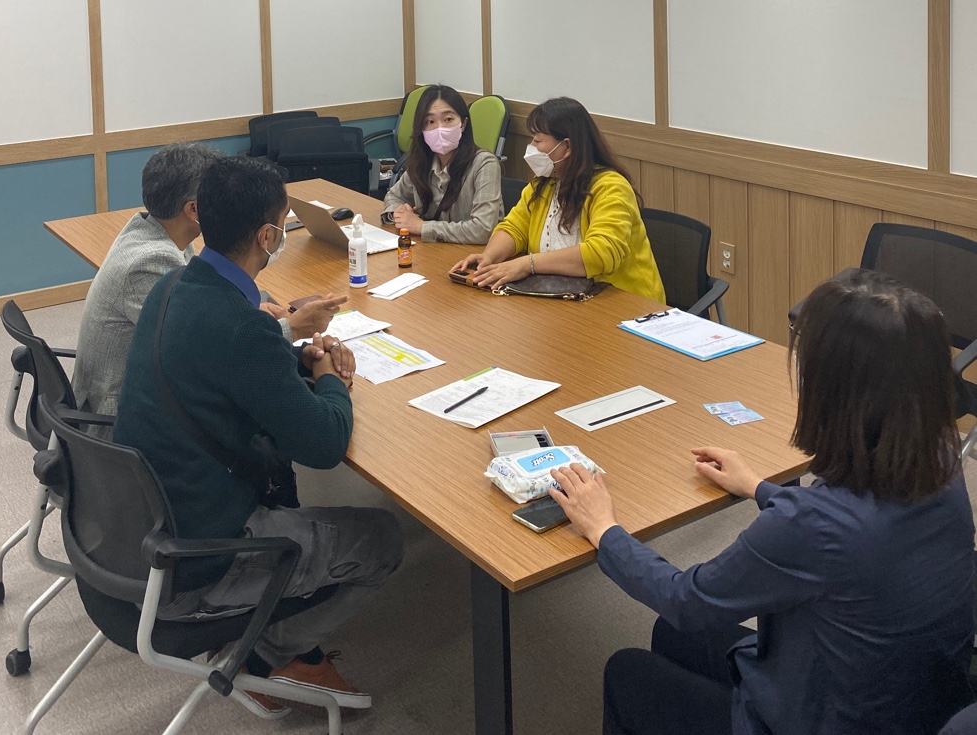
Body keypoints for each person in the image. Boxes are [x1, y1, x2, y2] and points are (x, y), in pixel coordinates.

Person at [548, 270, 974, 735]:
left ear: (832, 393)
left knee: (628, 671)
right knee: (672, 636)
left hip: (831, 717)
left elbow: (685, 598)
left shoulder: (810, 524)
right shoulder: (940, 457)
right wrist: (758, 486)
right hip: (915, 701)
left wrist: (604, 529)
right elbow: (842, 540)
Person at [112, 157, 403, 716]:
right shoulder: (244, 326)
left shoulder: (173, 284)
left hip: (139, 522)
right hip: (197, 557)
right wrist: (329, 380)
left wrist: (293, 362)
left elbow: (229, 367)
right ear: (269, 235)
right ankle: (268, 658)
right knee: (384, 539)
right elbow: (323, 445)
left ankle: (270, 636)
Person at [71, 142, 344, 437]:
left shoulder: (159, 232)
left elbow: (203, 319)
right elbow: (203, 345)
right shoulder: (152, 262)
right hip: (122, 420)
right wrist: (291, 328)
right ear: (194, 209)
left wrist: (252, 314)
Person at [450, 97, 665, 301]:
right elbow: (514, 227)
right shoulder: (544, 182)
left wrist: (527, 264)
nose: (531, 147)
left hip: (624, 304)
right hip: (562, 296)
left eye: (537, 140)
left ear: (567, 146)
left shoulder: (610, 186)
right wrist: (489, 258)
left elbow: (601, 253)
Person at [381, 84, 502, 244]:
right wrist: (400, 213)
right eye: (430, 121)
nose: (440, 128)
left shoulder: (484, 164)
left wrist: (422, 227)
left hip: (474, 257)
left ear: (463, 124)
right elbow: (394, 195)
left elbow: (483, 230)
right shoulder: (422, 161)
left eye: (448, 119)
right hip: (434, 252)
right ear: (421, 129)